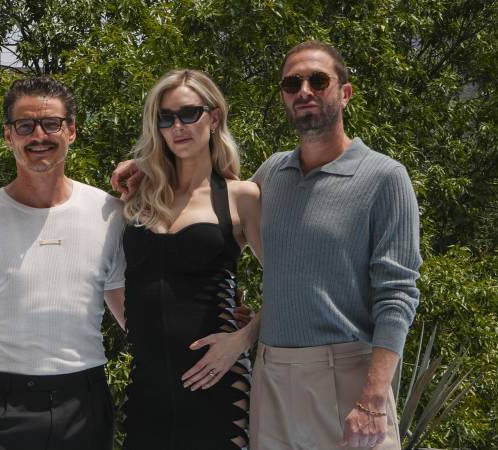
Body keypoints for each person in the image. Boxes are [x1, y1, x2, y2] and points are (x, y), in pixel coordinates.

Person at [112, 40, 423, 450]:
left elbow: (397, 294)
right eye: (293, 83)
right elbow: (212, 202)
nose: (304, 91)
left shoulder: (384, 176)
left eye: (318, 80)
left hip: (344, 369)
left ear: (344, 93)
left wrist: (373, 400)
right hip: (272, 375)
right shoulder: (274, 173)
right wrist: (146, 164)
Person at [0, 76, 127, 450]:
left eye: (51, 124)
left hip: (87, 403)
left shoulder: (108, 213)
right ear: (8, 135)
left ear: (72, 131)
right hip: (4, 405)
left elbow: (132, 314)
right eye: (25, 125)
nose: (39, 136)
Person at [116, 69, 265, 450]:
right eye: (165, 118)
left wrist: (242, 340)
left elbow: (290, 281)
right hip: (146, 385)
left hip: (217, 384)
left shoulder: (241, 196)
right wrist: (138, 330)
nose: (177, 126)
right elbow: (113, 279)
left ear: (214, 118)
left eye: (188, 114)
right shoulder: (138, 196)